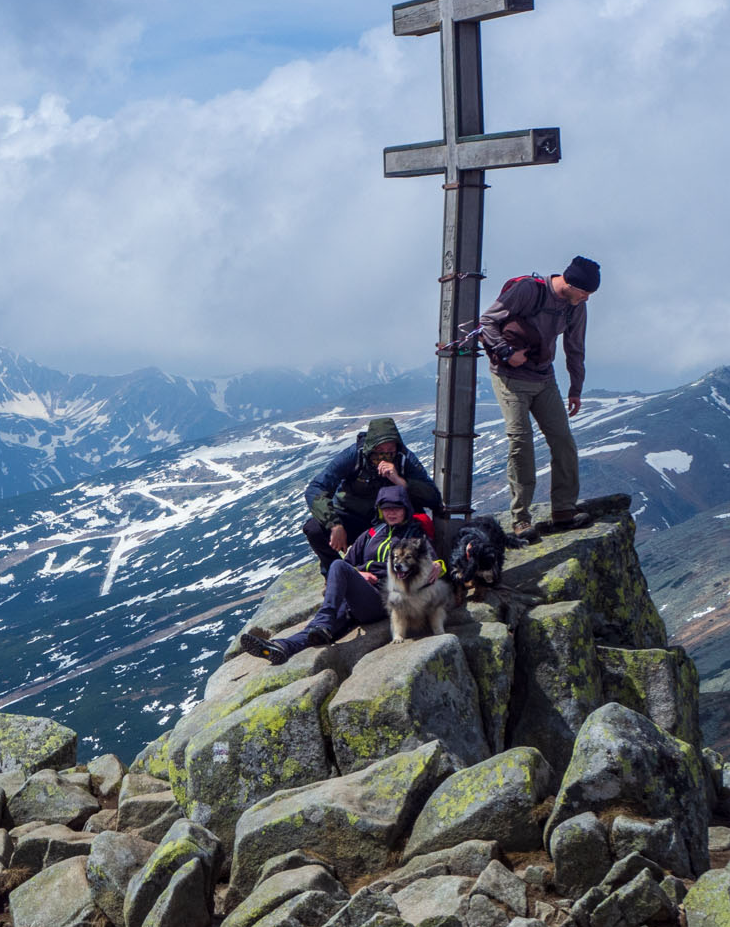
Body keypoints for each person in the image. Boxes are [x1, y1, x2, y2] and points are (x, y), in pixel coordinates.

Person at [477, 256, 600, 537]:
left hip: (544, 379)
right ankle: (521, 521)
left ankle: (564, 512)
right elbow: (487, 322)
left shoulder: (574, 308)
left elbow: (575, 347)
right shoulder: (529, 291)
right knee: (521, 442)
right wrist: (508, 353)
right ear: (570, 283)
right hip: (509, 377)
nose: (587, 299)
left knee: (563, 442)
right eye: (585, 293)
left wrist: (576, 389)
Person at [244, 484, 435, 664]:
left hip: (385, 598)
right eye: (386, 508)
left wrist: (437, 565)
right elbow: (348, 563)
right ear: (380, 510)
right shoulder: (371, 534)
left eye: (396, 508)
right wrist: (359, 574)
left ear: (405, 509)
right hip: (359, 598)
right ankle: (283, 647)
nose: (391, 512)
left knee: (335, 570)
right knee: (319, 629)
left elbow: (431, 564)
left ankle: (325, 621)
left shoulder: (414, 536)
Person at [301, 416, 441, 576]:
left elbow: (433, 497)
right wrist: (334, 524)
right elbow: (316, 487)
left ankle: (393, 576)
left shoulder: (404, 459)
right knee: (314, 529)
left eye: (390, 452)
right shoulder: (354, 456)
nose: (384, 456)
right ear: (370, 447)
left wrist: (400, 481)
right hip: (352, 516)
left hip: (389, 520)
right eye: (379, 451)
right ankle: (336, 574)